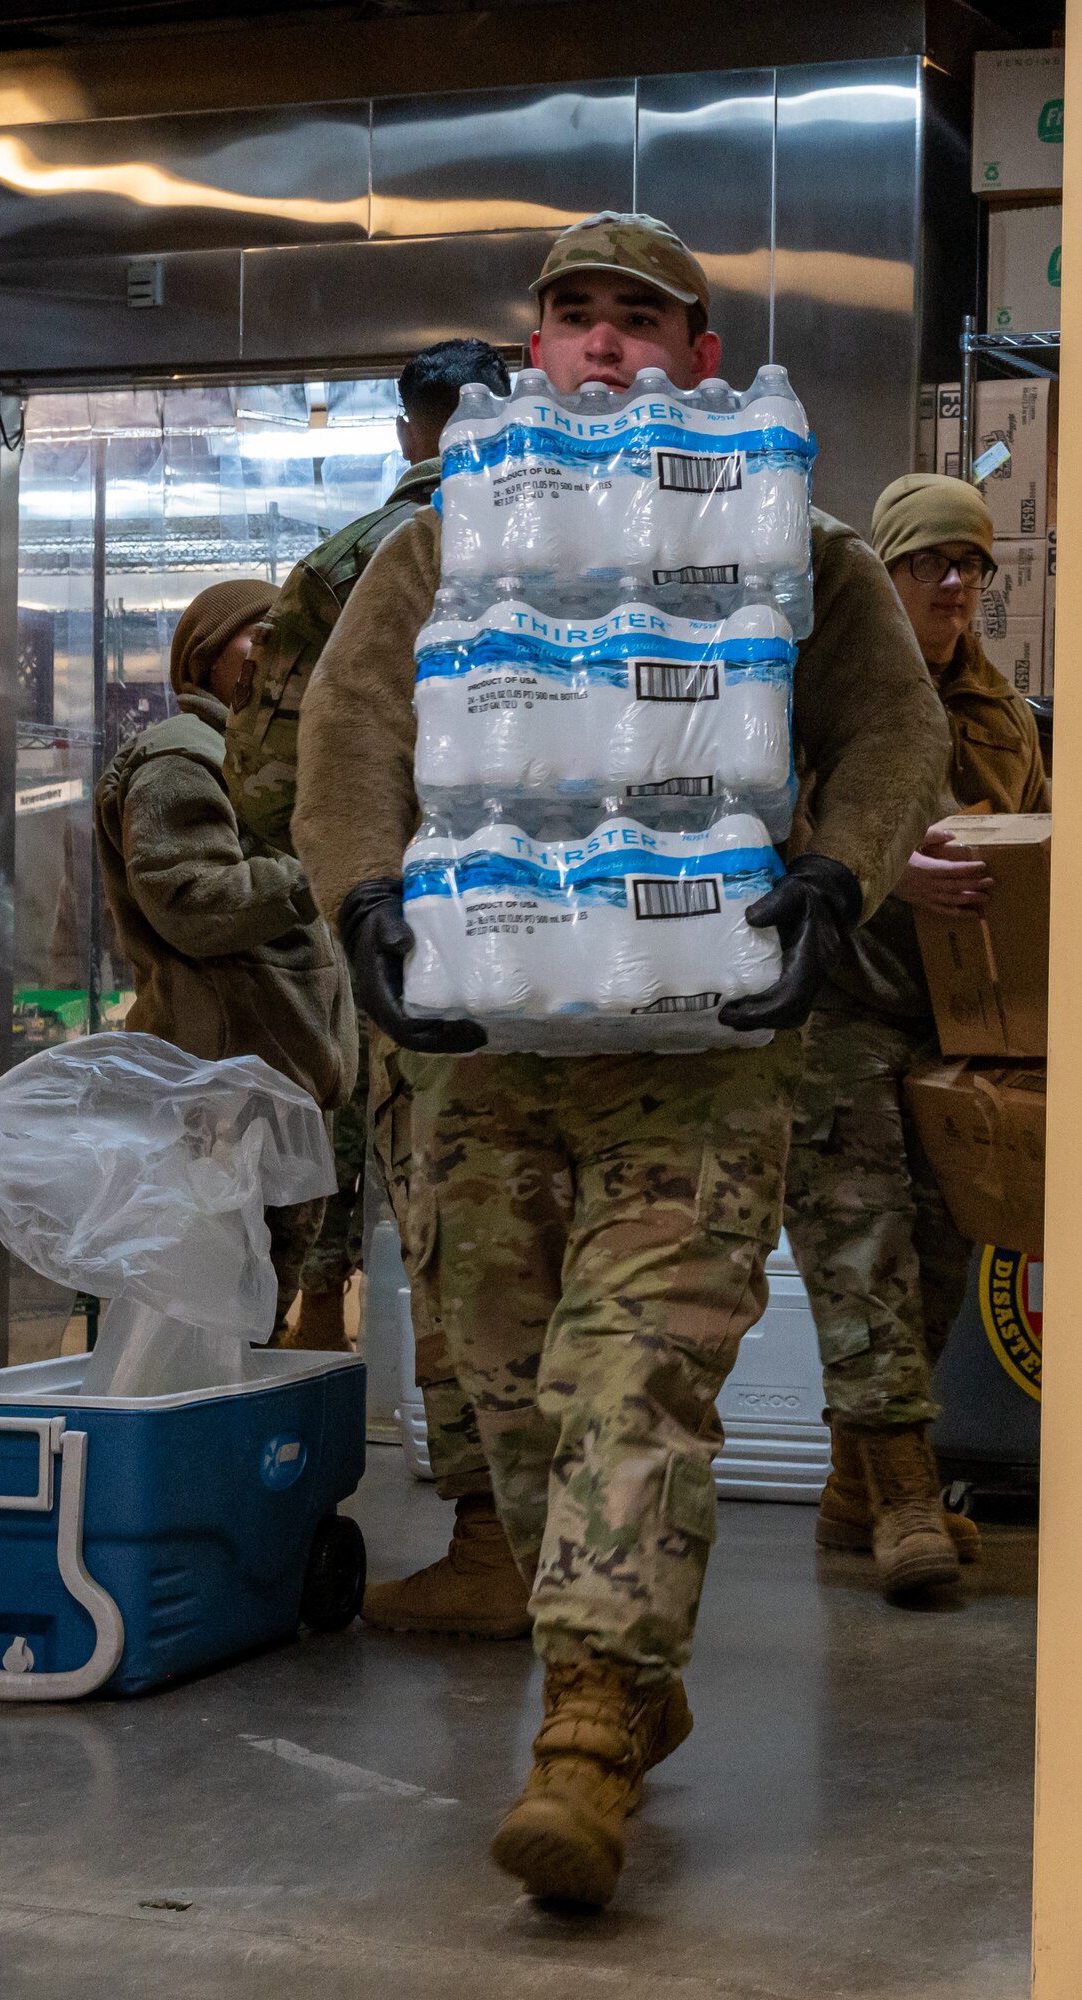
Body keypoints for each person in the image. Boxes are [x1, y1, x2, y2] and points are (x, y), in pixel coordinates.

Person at [292, 212, 951, 1908]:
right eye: (571, 317)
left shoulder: (792, 546)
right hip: (478, 1058)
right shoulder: (451, 542)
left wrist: (836, 875)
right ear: (537, 349)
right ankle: (624, 1670)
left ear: (699, 356)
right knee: (517, 1403)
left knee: (632, 1380)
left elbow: (892, 726)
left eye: (638, 320)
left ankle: (585, 1733)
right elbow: (352, 724)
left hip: (702, 1054)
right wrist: (366, 898)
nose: (602, 344)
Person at [226, 340, 533, 1640]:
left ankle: (486, 1543)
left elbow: (265, 781)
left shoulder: (353, 563)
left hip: (423, 950)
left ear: (405, 426)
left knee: (463, 1237)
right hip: (611, 956)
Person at [785, 473, 1049, 1598]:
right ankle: (900, 1494)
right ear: (882, 572)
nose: (952, 583)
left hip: (954, 1021)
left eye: (971, 565)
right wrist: (886, 875)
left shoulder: (1000, 711)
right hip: (834, 1003)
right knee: (860, 1247)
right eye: (928, 562)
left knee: (943, 1249)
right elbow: (768, 823)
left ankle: (853, 1490)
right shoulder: (815, 685)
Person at [95, 579, 357, 1341]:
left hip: (269, 1093)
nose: (277, 650)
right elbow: (193, 903)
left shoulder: (253, 760)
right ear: (205, 658)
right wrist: (317, 869)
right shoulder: (183, 757)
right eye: (258, 634)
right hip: (218, 1101)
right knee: (204, 1321)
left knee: (248, 1320)